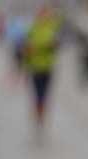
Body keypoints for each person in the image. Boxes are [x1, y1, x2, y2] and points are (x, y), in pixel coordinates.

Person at [21, 4, 63, 132]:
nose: (44, 16)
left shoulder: (52, 26)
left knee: (45, 95)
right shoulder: (32, 28)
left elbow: (57, 42)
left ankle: (41, 114)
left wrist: (53, 45)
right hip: (35, 67)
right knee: (38, 94)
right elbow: (27, 48)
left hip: (48, 67)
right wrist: (25, 66)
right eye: (42, 13)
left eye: (46, 14)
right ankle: (38, 115)